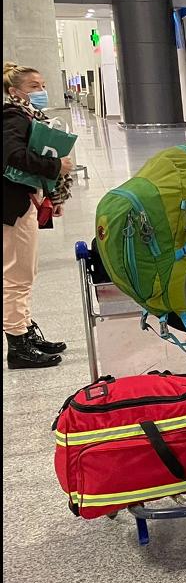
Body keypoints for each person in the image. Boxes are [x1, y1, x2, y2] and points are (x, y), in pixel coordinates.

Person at [3, 63, 73, 370]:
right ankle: (18, 344)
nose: (41, 91)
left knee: (24, 273)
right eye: (33, 87)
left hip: (25, 202)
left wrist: (53, 195)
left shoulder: (29, 116)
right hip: (13, 205)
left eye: (42, 85)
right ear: (13, 91)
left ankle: (25, 331)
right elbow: (13, 155)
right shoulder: (12, 116)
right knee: (16, 276)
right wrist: (57, 166)